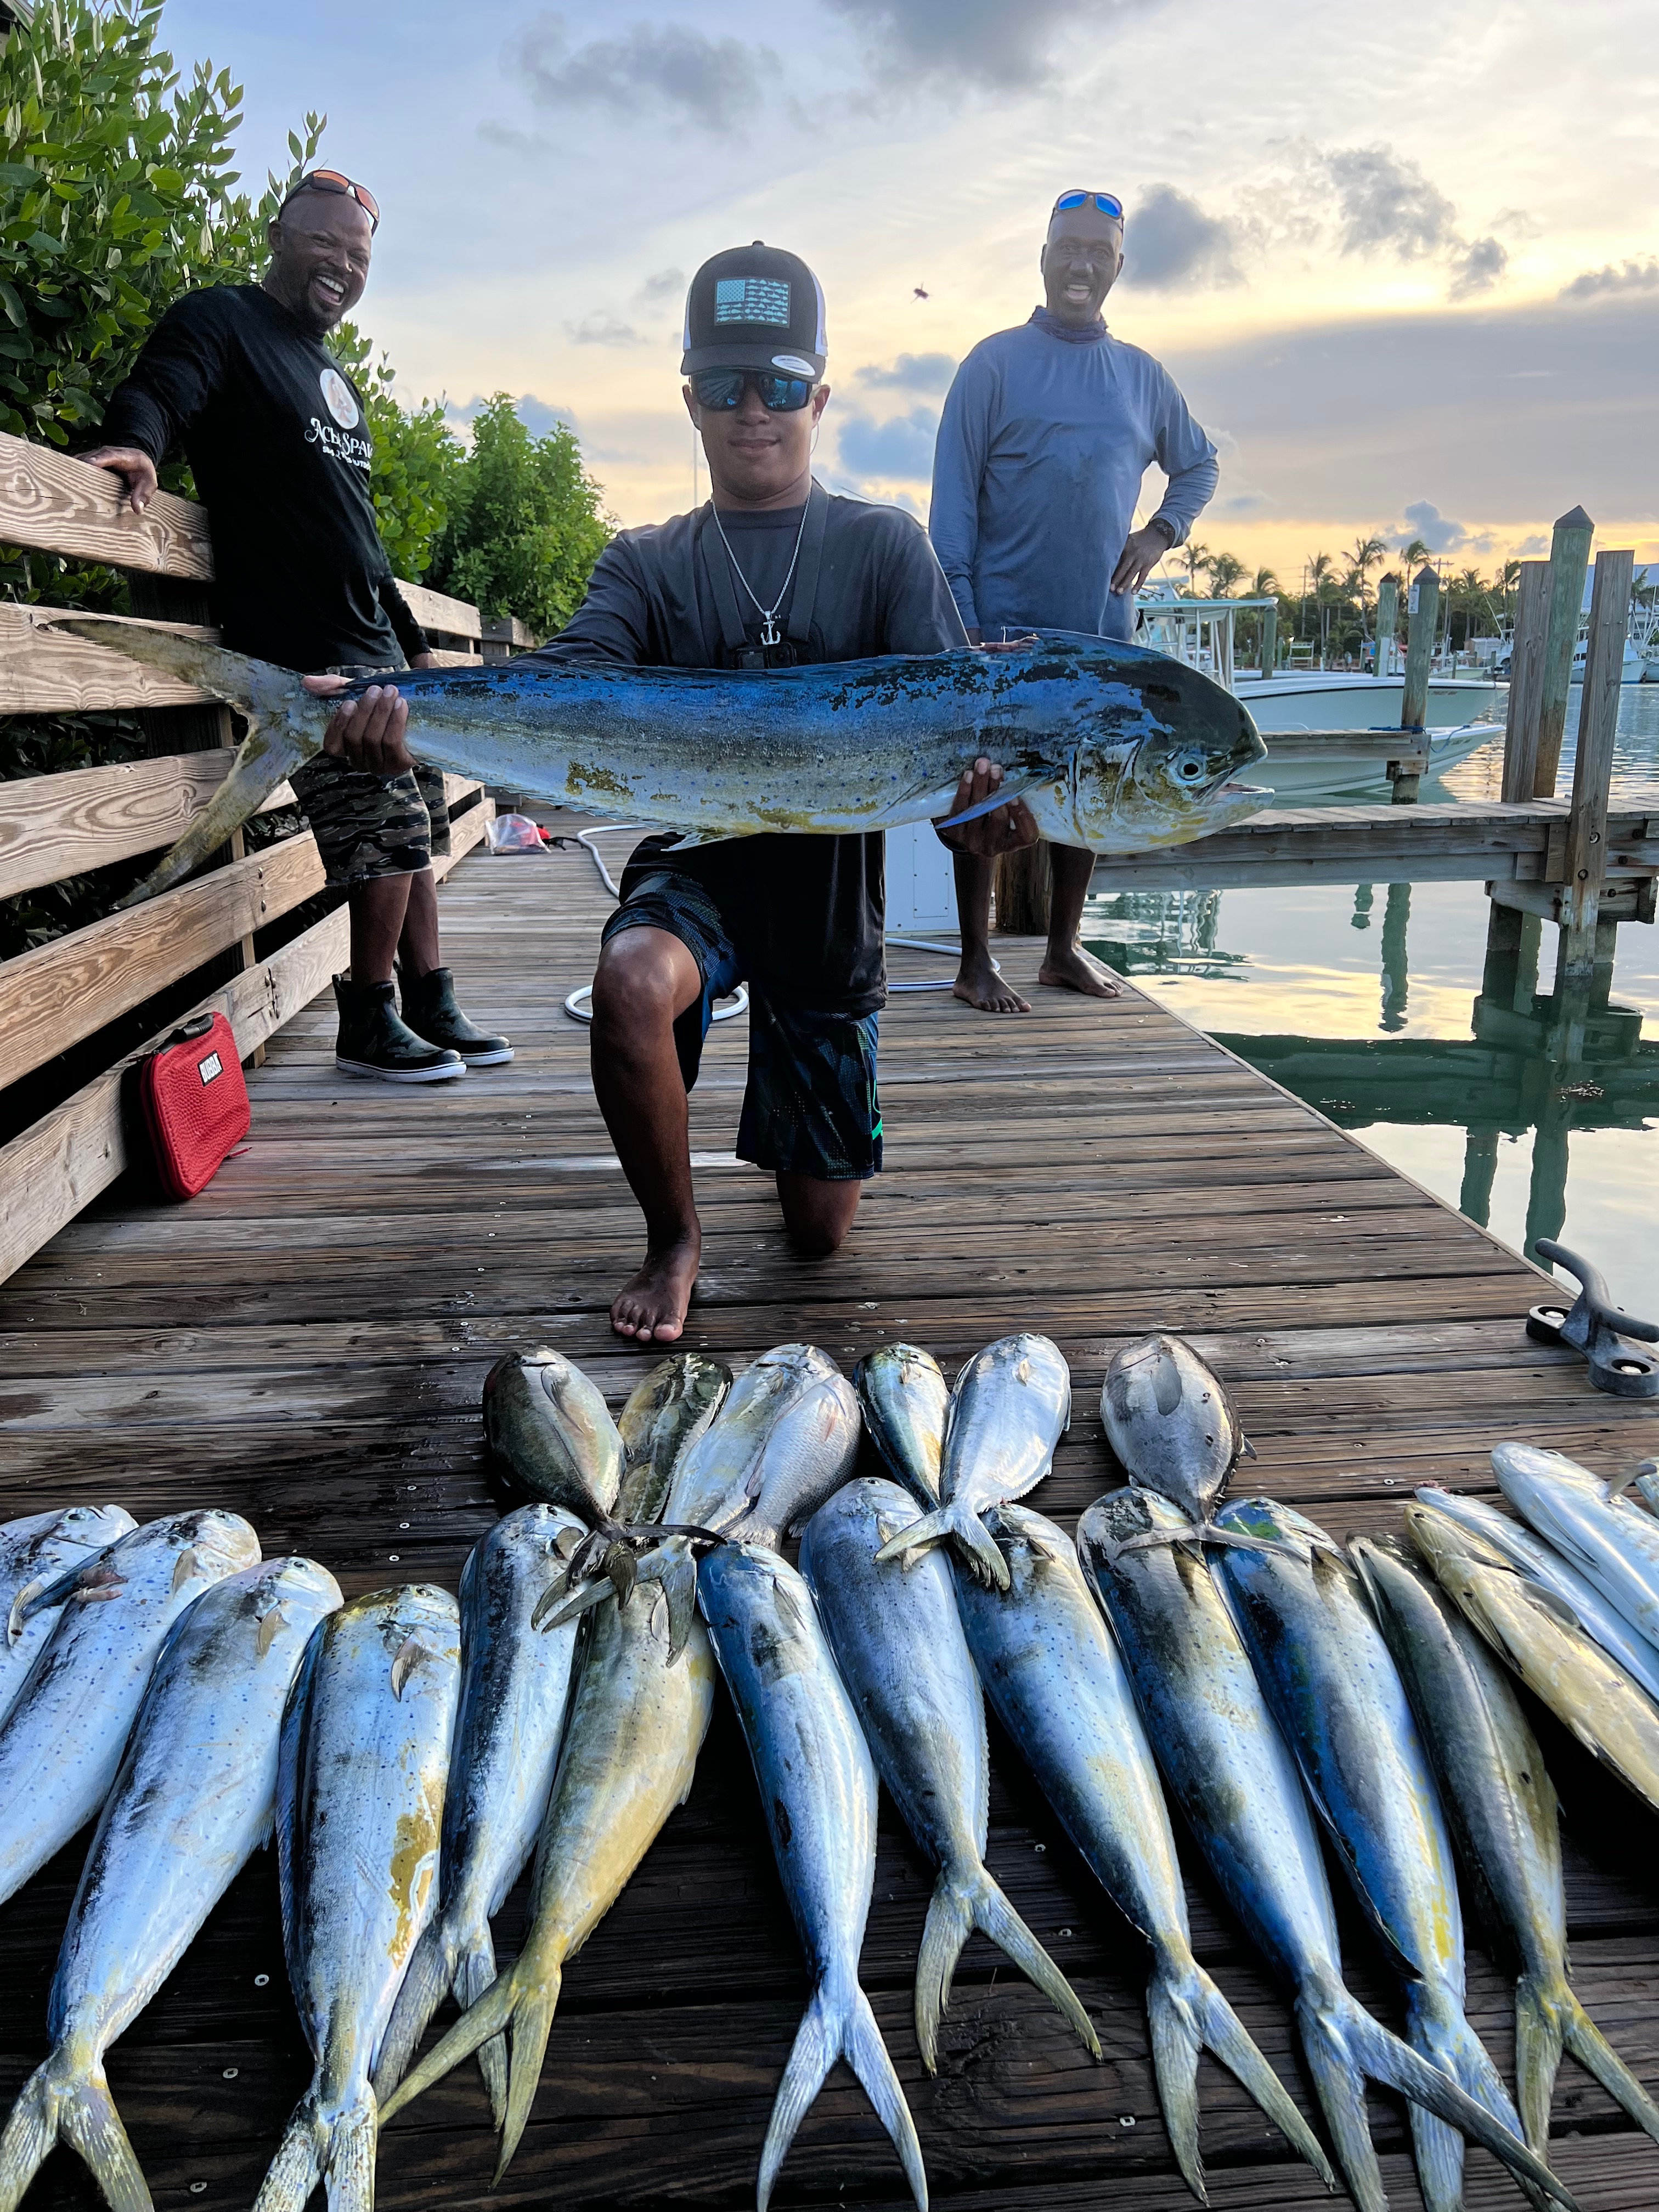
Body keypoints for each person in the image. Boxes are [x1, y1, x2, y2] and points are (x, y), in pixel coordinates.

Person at [521, 241, 1033, 1342]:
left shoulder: (888, 548)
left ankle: (789, 1142)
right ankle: (675, 1238)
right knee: (627, 981)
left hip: (829, 904)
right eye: (725, 384)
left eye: (783, 384)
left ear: (821, 397)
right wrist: (392, 708)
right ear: (692, 402)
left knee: (820, 1235)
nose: (756, 408)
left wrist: (992, 822)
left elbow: (961, 781)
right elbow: (561, 688)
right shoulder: (646, 562)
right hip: (699, 871)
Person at [83, 169, 510, 1082]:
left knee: (420, 824)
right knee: (385, 822)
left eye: (358, 257)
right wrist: (136, 443)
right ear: (279, 236)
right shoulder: (223, 321)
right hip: (303, 654)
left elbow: (356, 529)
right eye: (324, 244)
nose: (343, 268)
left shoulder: (331, 372)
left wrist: (407, 630)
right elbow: (164, 386)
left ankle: (429, 996)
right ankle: (368, 1017)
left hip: (380, 648)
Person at [929, 186, 1220, 1014]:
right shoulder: (992, 363)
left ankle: (1063, 948)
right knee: (983, 786)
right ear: (1044, 255)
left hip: (1101, 632)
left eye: (1100, 250)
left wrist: (1160, 532)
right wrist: (962, 623)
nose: (1082, 263)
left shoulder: (1142, 377)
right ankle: (974, 958)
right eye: (1069, 247)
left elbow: (1197, 465)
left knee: (1095, 787)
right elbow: (951, 510)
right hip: (1000, 636)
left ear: (1120, 265)